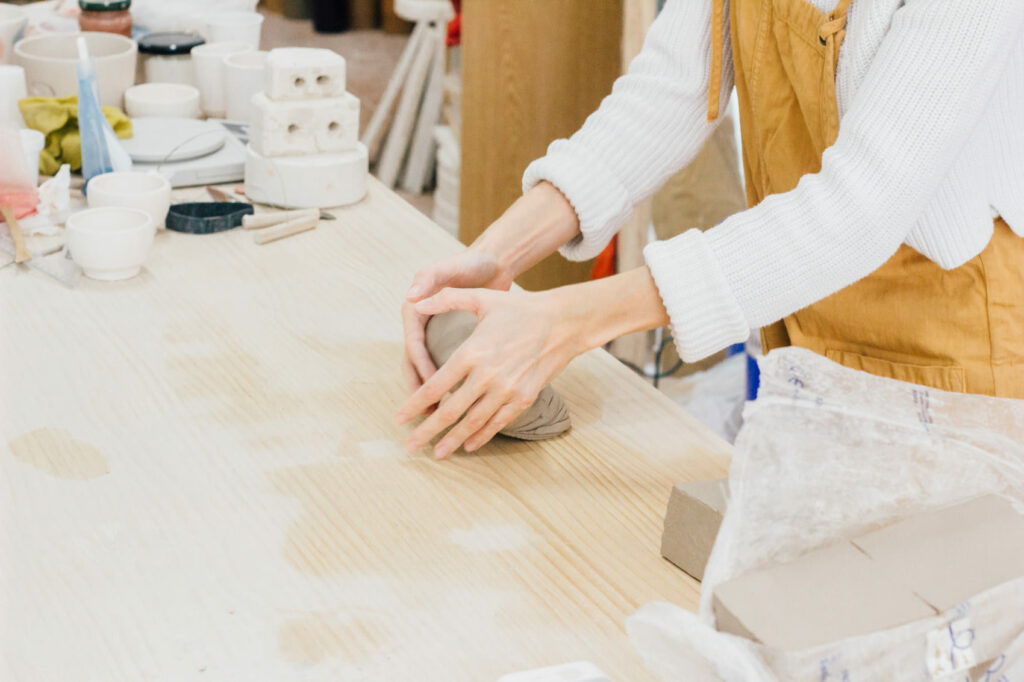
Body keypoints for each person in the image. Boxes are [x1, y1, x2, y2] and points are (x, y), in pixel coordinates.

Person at [395, 0, 1024, 458]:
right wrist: (499, 253)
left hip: (950, 346)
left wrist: (566, 322)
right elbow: (670, 89)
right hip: (801, 309)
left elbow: (859, 209)